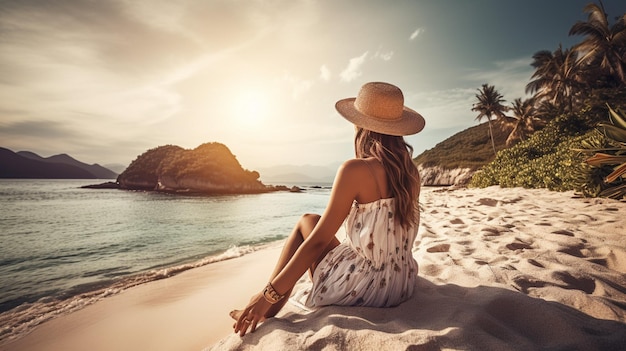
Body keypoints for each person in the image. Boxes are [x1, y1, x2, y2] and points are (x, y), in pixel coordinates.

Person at [230, 81, 425, 336]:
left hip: (366, 288)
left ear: (361, 126)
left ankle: (268, 306)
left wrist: (266, 294)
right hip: (400, 283)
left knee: (306, 224)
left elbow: (317, 242)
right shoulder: (411, 172)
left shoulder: (355, 169)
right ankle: (269, 301)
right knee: (313, 222)